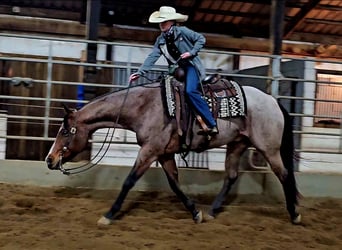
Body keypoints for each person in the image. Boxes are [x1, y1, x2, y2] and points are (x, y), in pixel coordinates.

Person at [129, 6, 218, 136]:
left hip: (190, 66)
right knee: (163, 90)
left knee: (190, 91)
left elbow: (201, 39)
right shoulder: (161, 40)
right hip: (176, 70)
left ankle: (211, 123)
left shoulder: (183, 31)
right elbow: (152, 56)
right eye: (160, 22)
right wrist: (140, 72)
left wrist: (191, 52)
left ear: (172, 22)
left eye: (164, 21)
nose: (161, 24)